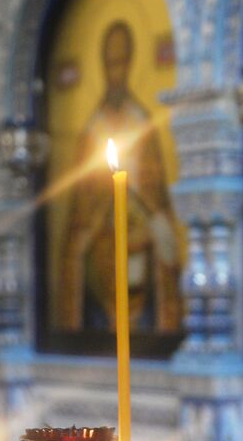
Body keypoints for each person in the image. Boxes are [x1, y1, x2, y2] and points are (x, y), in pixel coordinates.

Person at [57, 19, 183, 334]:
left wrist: (152, 219)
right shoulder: (91, 131)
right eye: (110, 63)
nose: (116, 71)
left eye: (122, 62)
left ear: (130, 63)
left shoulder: (143, 123)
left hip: (141, 248)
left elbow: (158, 200)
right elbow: (79, 217)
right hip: (102, 256)